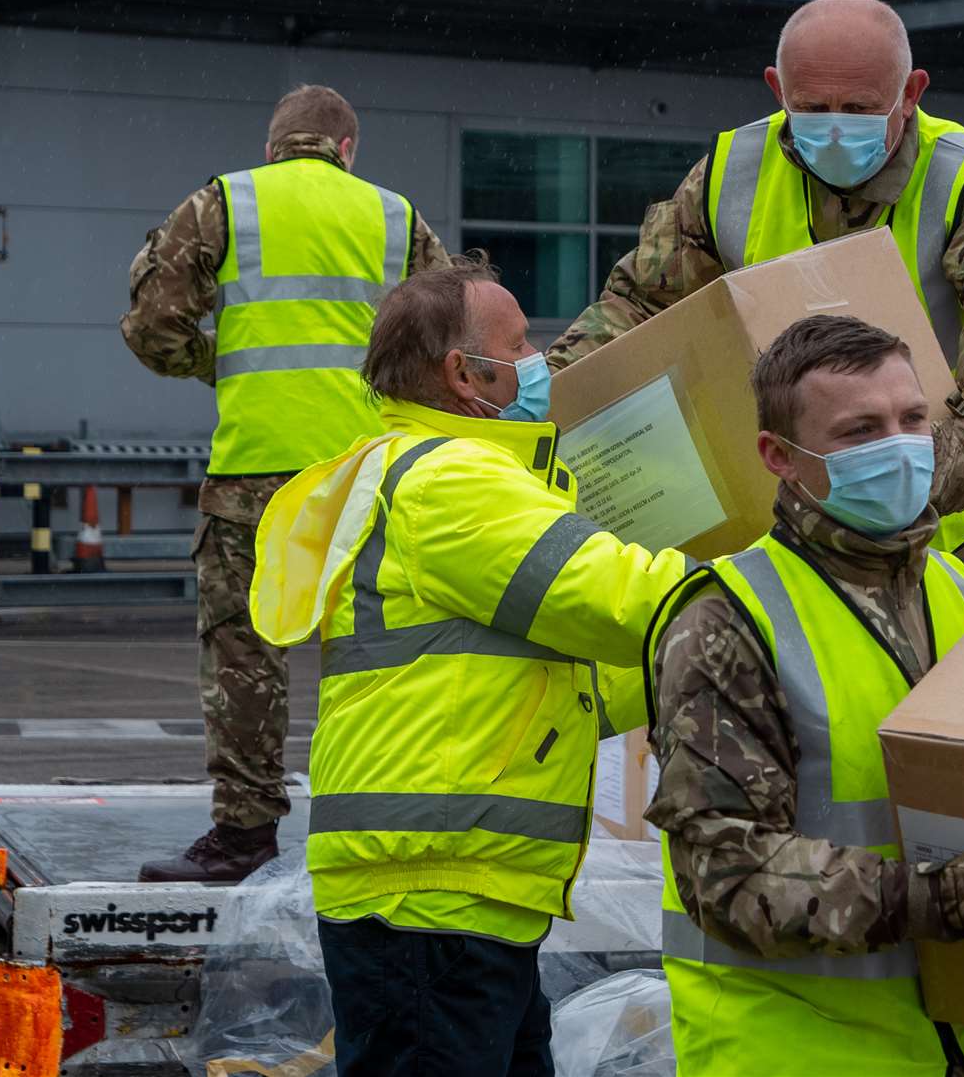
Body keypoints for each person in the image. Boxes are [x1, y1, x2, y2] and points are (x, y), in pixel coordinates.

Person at [643, 314, 964, 1077]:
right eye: (860, 430)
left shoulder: (958, 590)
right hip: (797, 1052)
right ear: (781, 457)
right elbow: (727, 876)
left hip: (962, 1049)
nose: (900, 448)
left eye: (912, 420)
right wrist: (946, 900)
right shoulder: (728, 620)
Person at [247, 255, 690, 1076]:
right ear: (463, 372)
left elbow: (570, 681)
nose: (542, 362)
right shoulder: (455, 477)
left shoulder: (430, 469)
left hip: (448, 899)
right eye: (522, 345)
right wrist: (765, 588)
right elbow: (620, 598)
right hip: (431, 906)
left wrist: (686, 672)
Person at [547, 0, 964, 597]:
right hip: (788, 516)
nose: (836, 128)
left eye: (861, 108)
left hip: (956, 524)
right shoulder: (730, 172)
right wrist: (542, 397)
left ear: (912, 93)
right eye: (812, 108)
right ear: (776, 88)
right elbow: (638, 305)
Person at [123, 84, 450, 883]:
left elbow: (151, 325)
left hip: (254, 469)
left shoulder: (223, 203)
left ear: (273, 149)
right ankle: (385, 824)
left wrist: (219, 365)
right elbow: (451, 333)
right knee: (380, 647)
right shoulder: (398, 217)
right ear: (347, 149)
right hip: (367, 472)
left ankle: (244, 835)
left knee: (245, 652)